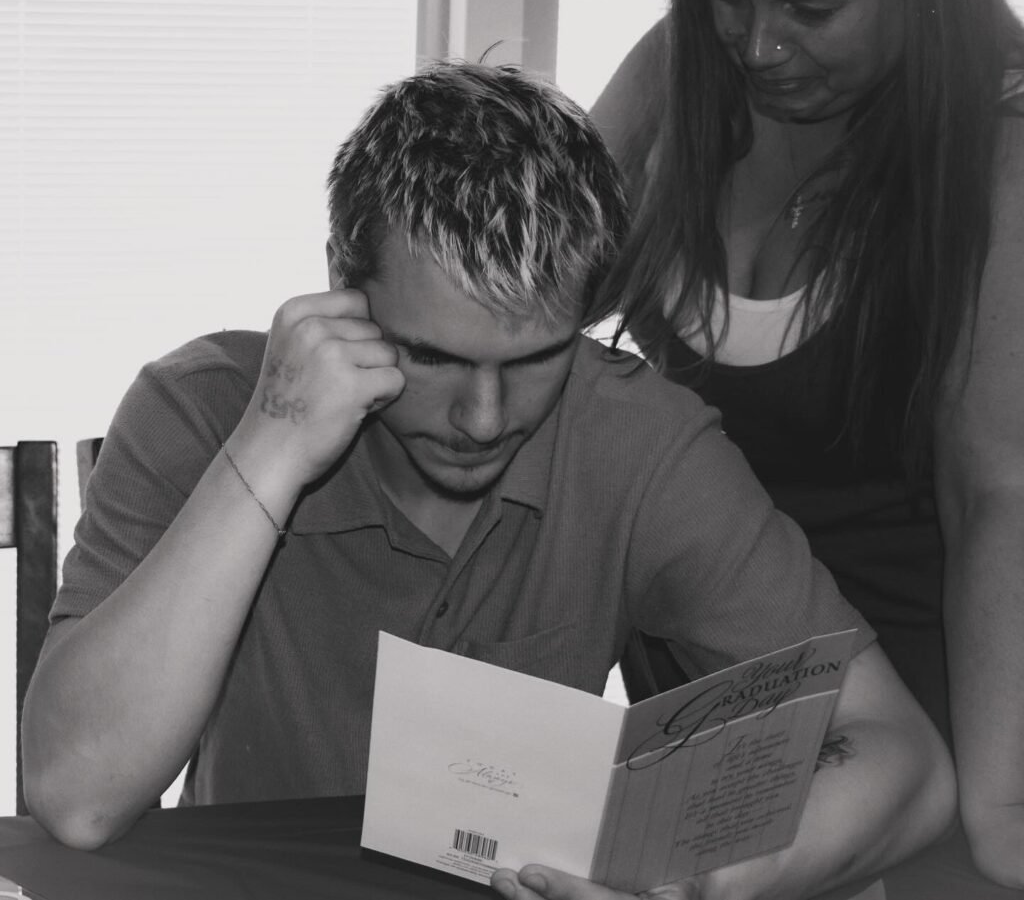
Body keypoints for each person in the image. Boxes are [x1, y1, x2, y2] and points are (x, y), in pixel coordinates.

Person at [23, 62, 953, 899]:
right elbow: (75, 797)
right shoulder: (199, 410)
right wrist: (271, 447)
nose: (483, 418)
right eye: (432, 357)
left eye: (536, 356)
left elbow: (904, 759)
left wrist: (706, 887)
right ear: (342, 292)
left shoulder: (634, 437)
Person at [586, 0, 1024, 888]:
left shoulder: (1001, 151)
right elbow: (525, 295)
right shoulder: (680, 69)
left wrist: (999, 815)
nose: (759, 48)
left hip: (919, 733)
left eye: (812, 10)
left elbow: (998, 491)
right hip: (703, 726)